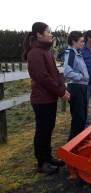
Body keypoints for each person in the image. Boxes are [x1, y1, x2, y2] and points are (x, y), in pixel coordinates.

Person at [23, 22, 69, 175]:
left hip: (49, 98)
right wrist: (60, 92)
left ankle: (48, 157)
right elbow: (43, 78)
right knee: (42, 130)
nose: (51, 34)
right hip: (41, 100)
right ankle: (41, 162)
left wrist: (63, 89)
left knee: (49, 129)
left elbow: (55, 75)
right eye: (48, 32)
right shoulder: (35, 53)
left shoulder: (47, 52)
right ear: (39, 34)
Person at [64, 31, 89, 141]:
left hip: (82, 87)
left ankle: (78, 142)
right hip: (76, 88)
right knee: (78, 118)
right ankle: (71, 145)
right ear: (74, 41)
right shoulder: (71, 53)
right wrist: (81, 76)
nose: (83, 43)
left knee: (82, 118)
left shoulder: (78, 54)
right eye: (81, 41)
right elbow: (67, 72)